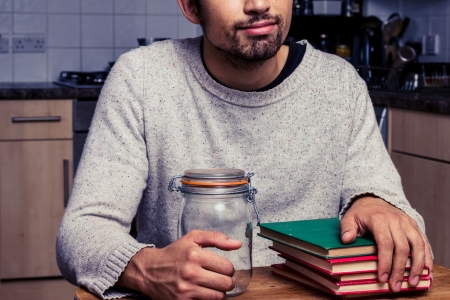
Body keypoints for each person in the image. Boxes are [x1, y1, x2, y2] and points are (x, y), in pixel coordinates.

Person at [56, 0, 433, 299]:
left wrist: (373, 202)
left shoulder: (339, 84)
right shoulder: (141, 79)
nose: (258, 4)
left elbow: (398, 216)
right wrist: (146, 266)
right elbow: (82, 232)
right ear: (190, 6)